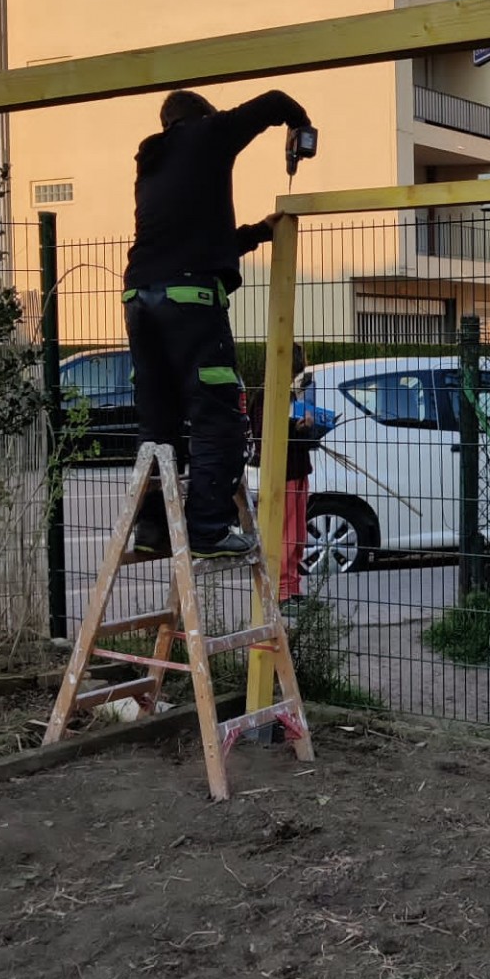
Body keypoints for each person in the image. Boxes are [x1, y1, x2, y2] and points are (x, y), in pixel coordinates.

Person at [123, 86, 314, 559]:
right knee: (220, 416)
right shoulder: (209, 134)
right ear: (202, 115)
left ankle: (152, 530)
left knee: (159, 422)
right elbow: (273, 101)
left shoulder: (152, 163)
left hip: (139, 296)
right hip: (189, 298)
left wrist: (256, 234)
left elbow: (198, 239)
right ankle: (208, 529)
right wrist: (300, 127)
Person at [247, 343, 335, 606]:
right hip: (280, 475)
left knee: (297, 535)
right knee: (285, 534)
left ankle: (294, 588)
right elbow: (266, 437)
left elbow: (293, 436)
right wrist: (293, 428)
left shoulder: (291, 395)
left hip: (297, 471)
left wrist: (310, 430)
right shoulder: (266, 395)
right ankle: (282, 591)